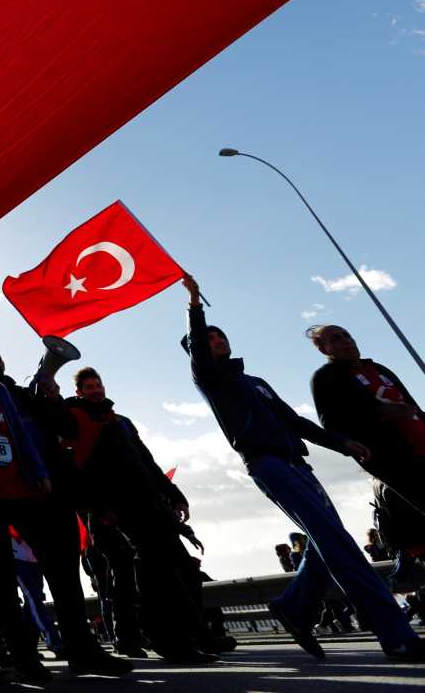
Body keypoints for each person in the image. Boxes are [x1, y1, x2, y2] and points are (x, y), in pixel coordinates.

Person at [182, 274, 425, 661]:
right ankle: (396, 634)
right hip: (267, 463)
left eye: (220, 336)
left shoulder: (255, 382)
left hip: (298, 463)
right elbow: (198, 350)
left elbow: (296, 422)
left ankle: (294, 606)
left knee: (325, 539)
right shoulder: (210, 379)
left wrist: (342, 444)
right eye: (209, 340)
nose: (218, 341)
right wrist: (194, 305)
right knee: (340, 545)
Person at [0, 331, 129, 678]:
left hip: (24, 489)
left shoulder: (1, 390)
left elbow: (23, 433)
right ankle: (24, 657)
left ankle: (82, 648)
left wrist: (38, 469)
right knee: (0, 581)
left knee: (62, 569)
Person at [64, 367, 212, 662]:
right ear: (80, 392)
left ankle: (194, 636)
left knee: (172, 568)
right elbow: (80, 470)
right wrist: (99, 507)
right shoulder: (78, 420)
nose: (96, 390)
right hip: (115, 510)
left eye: (98, 385)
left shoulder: (121, 422)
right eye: (89, 387)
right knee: (145, 572)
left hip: (149, 504)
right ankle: (160, 639)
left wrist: (174, 495)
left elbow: (147, 462)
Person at [307, 325, 425, 520]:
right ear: (323, 348)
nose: (346, 340)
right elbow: (332, 423)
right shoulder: (325, 378)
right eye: (336, 339)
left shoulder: (378, 369)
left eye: (347, 335)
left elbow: (412, 406)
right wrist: (380, 414)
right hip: (395, 458)